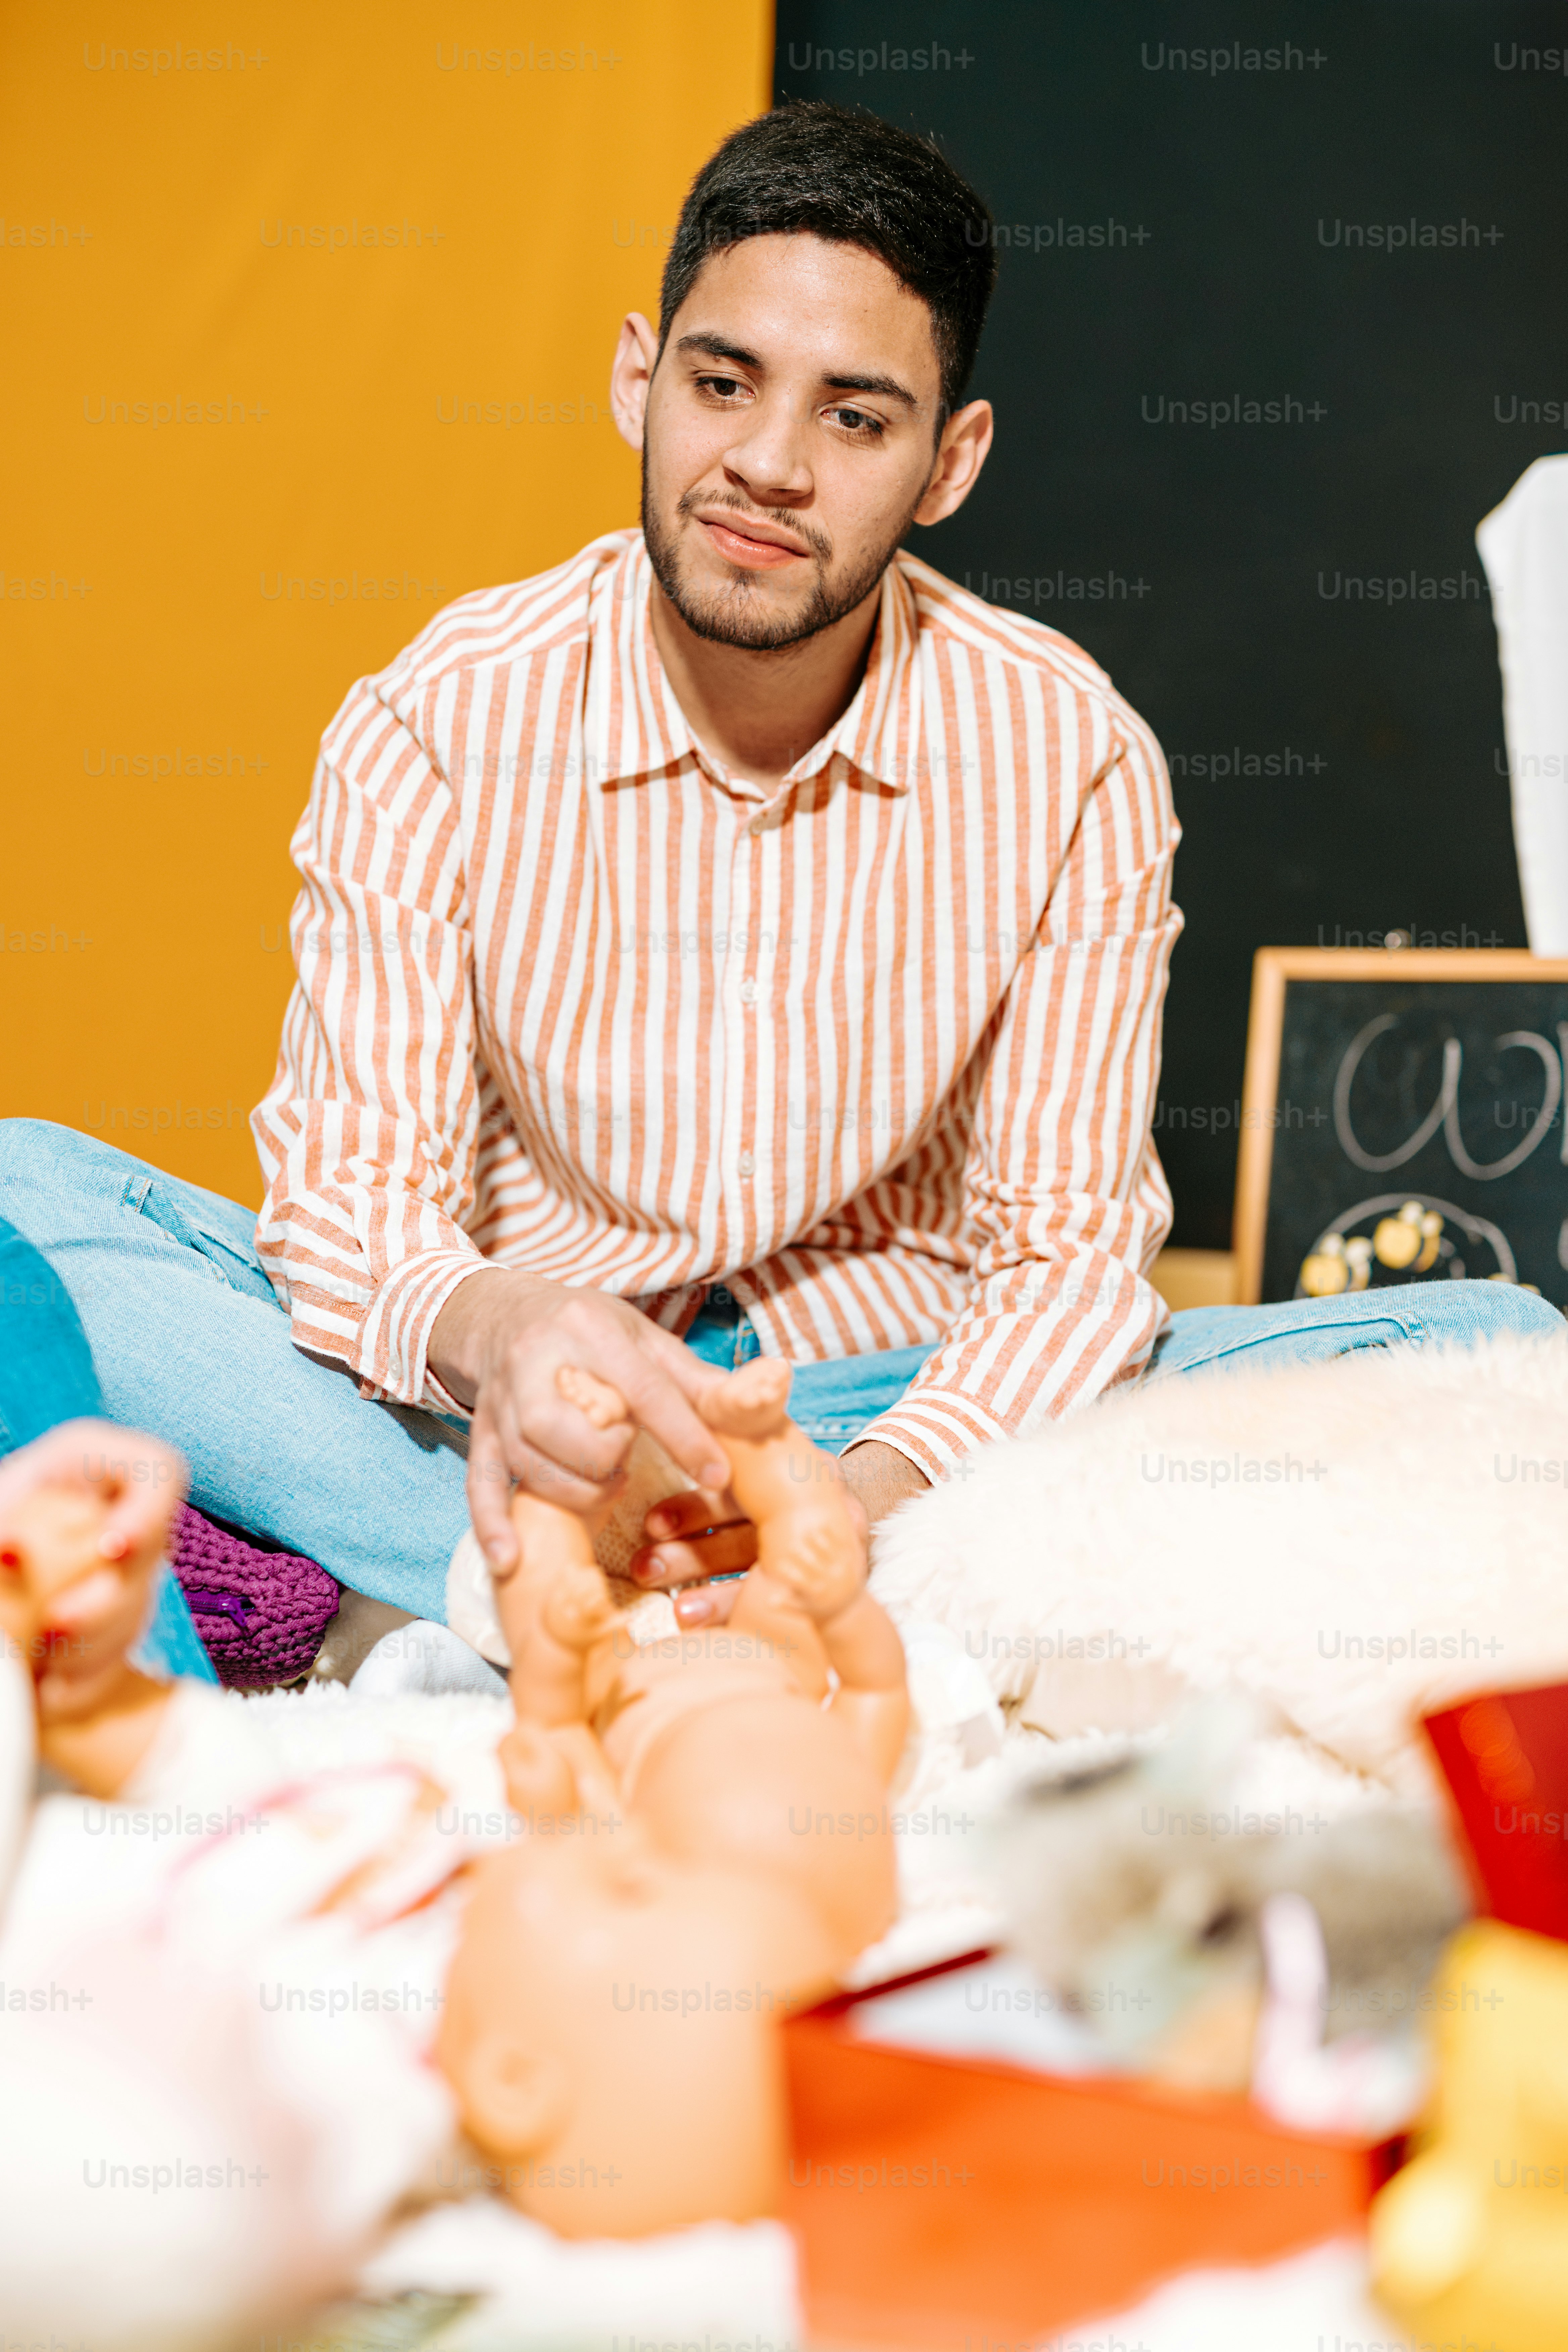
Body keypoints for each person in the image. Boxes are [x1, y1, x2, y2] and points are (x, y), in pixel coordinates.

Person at [0, 102, 1557, 1638]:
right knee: (23, 1196)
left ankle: (493, 1611)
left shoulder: (1069, 752)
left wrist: (855, 1512)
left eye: (853, 417)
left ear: (949, 463)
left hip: (896, 1409)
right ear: (637, 377)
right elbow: (352, 1207)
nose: (765, 465)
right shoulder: (436, 716)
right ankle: (520, 1581)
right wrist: (511, 1323)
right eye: (723, 381)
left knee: (1489, 1343)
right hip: (514, 1411)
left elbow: (1066, 1262)